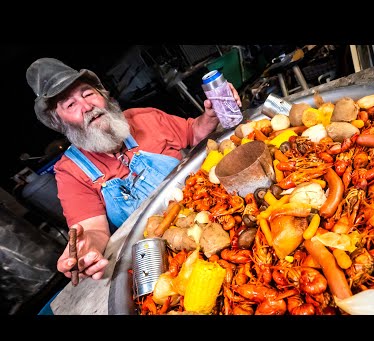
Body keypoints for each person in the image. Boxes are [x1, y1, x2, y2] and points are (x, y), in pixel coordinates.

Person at [26, 57, 242, 289]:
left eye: (87, 94)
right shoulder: (69, 172)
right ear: (59, 122)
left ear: (103, 95)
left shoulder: (143, 118)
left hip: (218, 208)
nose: (87, 106)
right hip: (165, 256)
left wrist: (209, 118)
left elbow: (193, 134)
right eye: (70, 105)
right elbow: (92, 230)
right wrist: (87, 251)